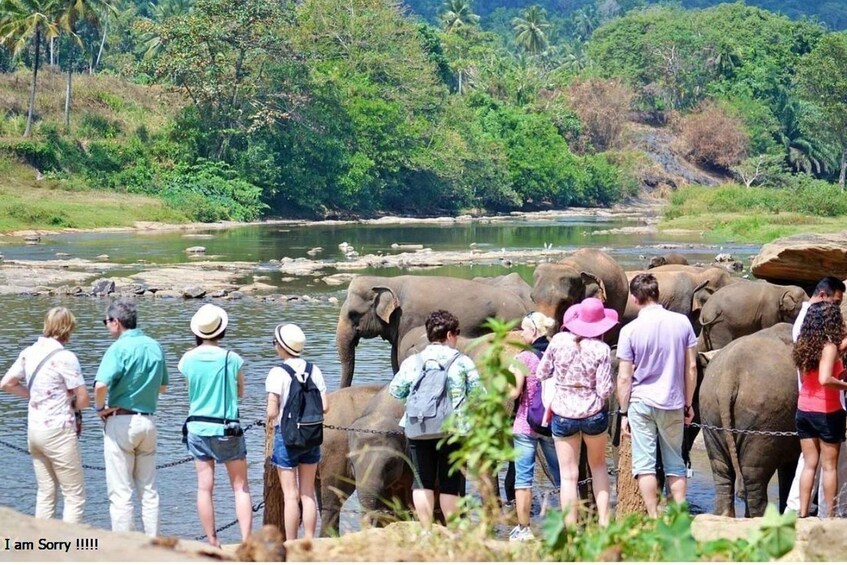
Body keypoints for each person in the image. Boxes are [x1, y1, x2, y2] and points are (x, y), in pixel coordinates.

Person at [389, 310, 481, 530]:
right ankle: (453, 531)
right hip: (453, 429)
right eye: (457, 333)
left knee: (421, 481)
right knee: (450, 484)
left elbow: (396, 391)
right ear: (449, 334)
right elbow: (480, 394)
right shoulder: (463, 362)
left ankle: (426, 531)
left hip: (419, 426)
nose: (457, 337)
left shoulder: (413, 361)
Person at [617, 273, 697, 517]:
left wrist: (623, 412)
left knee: (644, 465)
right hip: (673, 402)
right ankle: (678, 516)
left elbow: (624, 377)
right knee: (675, 463)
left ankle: (653, 517)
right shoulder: (683, 323)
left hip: (640, 403)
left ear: (634, 299)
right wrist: (688, 403)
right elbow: (691, 367)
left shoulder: (629, 330)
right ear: (657, 294)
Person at [1, 307, 89, 523]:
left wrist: (34, 396)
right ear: (68, 328)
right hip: (59, 431)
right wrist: (72, 404)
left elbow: (6, 384)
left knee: (46, 492)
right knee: (74, 495)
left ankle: (42, 546)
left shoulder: (29, 352)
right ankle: (69, 547)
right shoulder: (66, 357)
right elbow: (84, 400)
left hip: (35, 431)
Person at [538, 298, 616, 527]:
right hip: (593, 415)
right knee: (599, 467)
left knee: (568, 476)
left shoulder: (558, 341)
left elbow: (542, 373)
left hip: (563, 414)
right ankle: (603, 524)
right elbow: (604, 390)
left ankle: (570, 530)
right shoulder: (601, 349)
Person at [94, 298, 169, 536]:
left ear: (116, 322)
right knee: (149, 490)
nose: (106, 326)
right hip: (148, 421)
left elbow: (100, 385)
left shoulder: (117, 348)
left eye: (106, 322)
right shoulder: (155, 345)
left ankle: (124, 546)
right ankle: (153, 542)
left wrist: (99, 409)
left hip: (121, 420)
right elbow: (164, 387)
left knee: (121, 491)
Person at [179, 304, 252, 546]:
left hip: (197, 428)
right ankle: (245, 541)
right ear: (221, 331)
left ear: (198, 332)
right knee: (240, 488)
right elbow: (240, 391)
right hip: (227, 429)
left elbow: (190, 388)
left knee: (204, 488)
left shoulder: (187, 359)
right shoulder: (232, 358)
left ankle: (212, 540)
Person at [786, 276, 847, 516]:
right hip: (827, 410)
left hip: (804, 410)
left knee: (809, 465)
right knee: (829, 467)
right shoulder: (829, 345)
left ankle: (801, 513)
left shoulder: (803, 342)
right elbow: (824, 379)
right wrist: (844, 384)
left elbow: (809, 375)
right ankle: (829, 517)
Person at [266, 323, 328, 540]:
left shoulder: (278, 372)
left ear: (282, 347)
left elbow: (272, 411)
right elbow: (325, 406)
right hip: (311, 437)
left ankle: (292, 542)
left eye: (275, 343)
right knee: (308, 493)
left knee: (290, 496)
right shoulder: (314, 369)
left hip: (287, 437)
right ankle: (310, 540)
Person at [507, 311, 560, 541]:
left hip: (525, 425)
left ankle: (524, 529)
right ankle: (568, 524)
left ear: (535, 331)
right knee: (563, 478)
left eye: (524, 329)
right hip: (551, 423)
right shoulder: (556, 354)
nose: (521, 333)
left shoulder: (524, 358)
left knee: (523, 479)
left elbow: (514, 391)